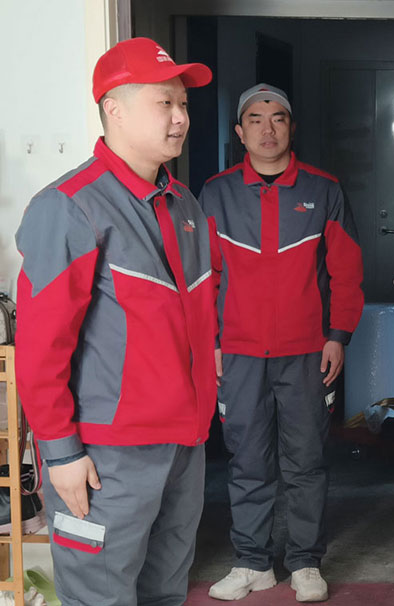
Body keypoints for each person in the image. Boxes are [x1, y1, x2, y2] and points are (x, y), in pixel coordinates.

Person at [14, 37, 216, 606]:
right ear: (114, 109)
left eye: (184, 104)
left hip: (183, 448)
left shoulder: (184, 204)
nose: (180, 118)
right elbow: (40, 348)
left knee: (165, 592)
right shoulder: (70, 206)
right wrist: (60, 453)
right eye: (164, 103)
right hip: (105, 458)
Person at [200, 83, 365, 603]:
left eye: (277, 118)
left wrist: (338, 336)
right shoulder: (216, 193)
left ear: (291, 127)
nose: (267, 129)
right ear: (239, 131)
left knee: (306, 460)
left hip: (307, 353)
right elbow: (206, 277)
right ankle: (252, 562)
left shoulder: (324, 189)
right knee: (246, 459)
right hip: (240, 353)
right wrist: (211, 341)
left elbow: (346, 272)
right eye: (255, 119)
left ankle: (305, 563)